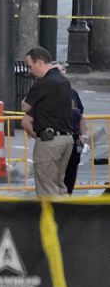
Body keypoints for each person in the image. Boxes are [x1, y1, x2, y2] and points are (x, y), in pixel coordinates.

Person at [21, 47, 74, 197]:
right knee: (59, 185)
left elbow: (25, 106)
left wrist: (37, 135)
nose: (29, 71)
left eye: (30, 66)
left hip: (49, 141)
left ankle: (51, 220)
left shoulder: (44, 83)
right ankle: (65, 219)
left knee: (47, 189)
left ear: (39, 62)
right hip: (66, 139)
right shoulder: (64, 81)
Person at [54, 63, 89, 194]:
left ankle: (68, 197)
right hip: (58, 137)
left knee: (71, 170)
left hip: (74, 137)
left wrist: (83, 135)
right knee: (57, 173)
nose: (61, 73)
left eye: (62, 70)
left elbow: (80, 116)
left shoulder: (72, 93)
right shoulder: (49, 93)